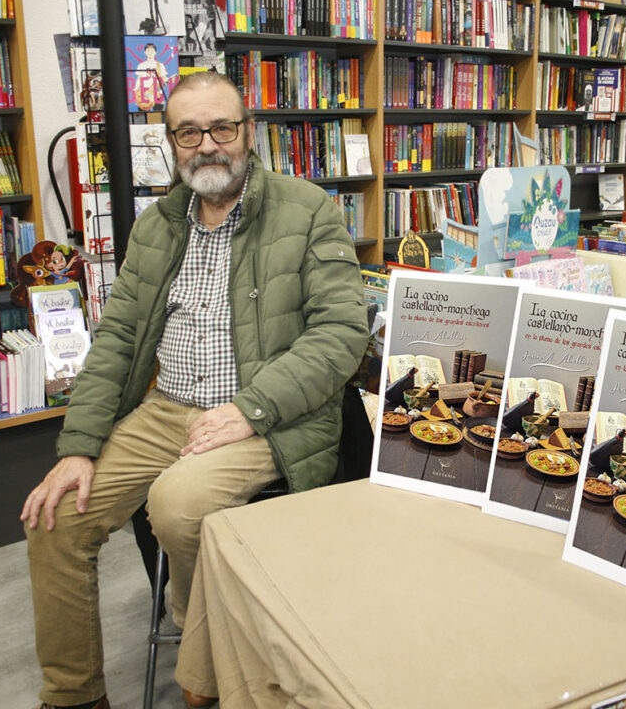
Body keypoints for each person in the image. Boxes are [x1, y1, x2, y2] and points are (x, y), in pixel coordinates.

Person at [21, 71, 369, 709]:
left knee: (179, 505)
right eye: (188, 132)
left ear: (249, 133)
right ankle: (74, 695)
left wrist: (250, 408)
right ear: (171, 143)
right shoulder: (155, 227)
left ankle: (201, 663)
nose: (207, 144)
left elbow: (342, 332)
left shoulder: (308, 209)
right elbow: (117, 340)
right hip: (166, 410)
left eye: (221, 128)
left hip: (269, 414)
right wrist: (79, 447)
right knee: (56, 518)